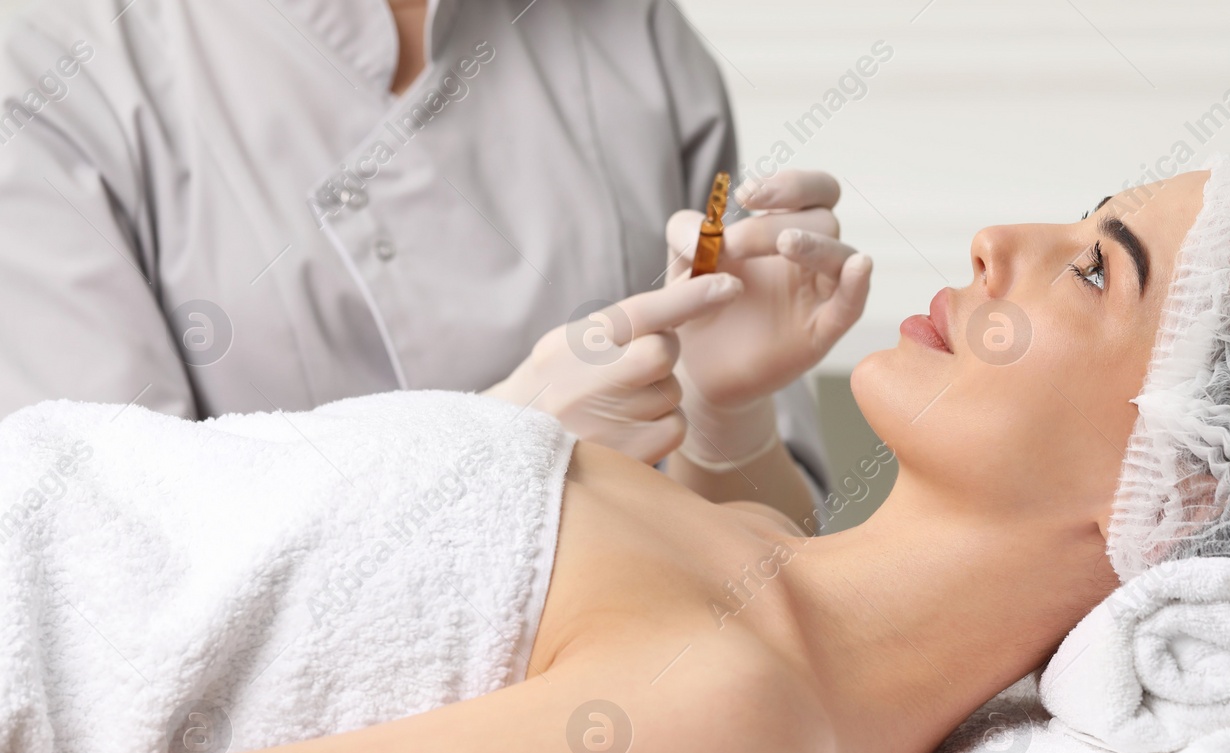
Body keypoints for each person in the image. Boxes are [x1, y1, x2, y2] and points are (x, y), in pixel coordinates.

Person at [0, 157, 1230, 753]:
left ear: (1187, 487)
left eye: (1097, 268)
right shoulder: (773, 584)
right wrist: (725, 408)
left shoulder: (735, 718)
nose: (998, 244)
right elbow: (748, 547)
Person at [0, 0, 869, 527]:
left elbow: (772, 570)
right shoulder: (53, 79)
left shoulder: (635, 31)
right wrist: (503, 440)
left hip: (648, 726)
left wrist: (728, 418)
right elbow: (110, 578)